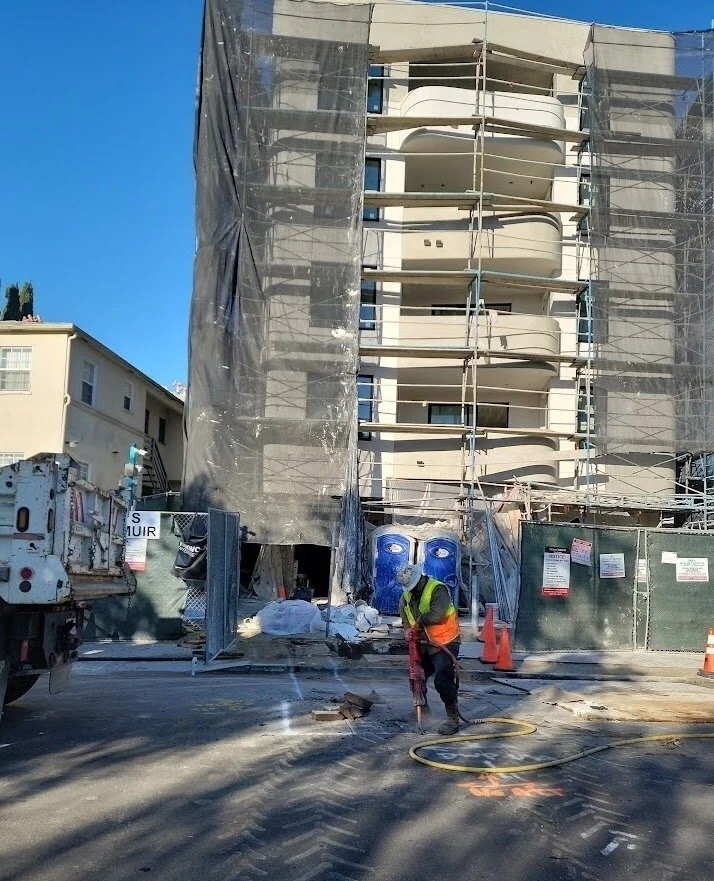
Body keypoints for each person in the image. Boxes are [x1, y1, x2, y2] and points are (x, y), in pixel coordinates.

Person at [397, 563, 461, 735]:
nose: (410, 590)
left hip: (445, 641)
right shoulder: (408, 594)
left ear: (419, 579)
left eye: (413, 586)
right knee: (416, 676)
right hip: (423, 643)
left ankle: (453, 718)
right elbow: (403, 609)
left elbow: (437, 615)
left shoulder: (438, 590)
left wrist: (418, 623)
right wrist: (406, 628)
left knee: (442, 679)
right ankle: (422, 710)